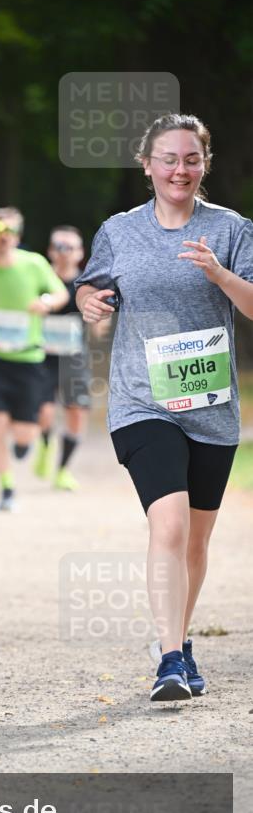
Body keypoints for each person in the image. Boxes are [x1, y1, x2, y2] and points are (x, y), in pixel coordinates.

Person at [75, 113, 253, 703]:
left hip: (211, 406)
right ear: (146, 164)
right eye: (169, 159)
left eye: (192, 159)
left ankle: (176, 637)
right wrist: (89, 302)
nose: (181, 169)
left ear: (205, 165)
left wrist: (219, 273)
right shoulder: (119, 230)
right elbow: (90, 285)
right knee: (169, 523)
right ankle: (171, 660)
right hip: (141, 399)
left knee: (195, 542)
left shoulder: (230, 229)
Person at [0, 207, 68, 511]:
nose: (6, 239)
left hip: (28, 359)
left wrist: (45, 302)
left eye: (12, 232)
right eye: (0, 232)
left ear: (18, 236)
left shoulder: (34, 264)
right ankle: (6, 487)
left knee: (24, 433)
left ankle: (31, 442)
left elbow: (59, 293)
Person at [35, 225, 99, 490]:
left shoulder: (86, 284)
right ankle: (45, 444)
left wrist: (99, 321)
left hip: (74, 358)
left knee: (75, 413)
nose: (64, 253)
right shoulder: (39, 280)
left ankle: (62, 470)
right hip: (41, 356)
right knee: (44, 412)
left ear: (80, 252)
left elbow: (99, 326)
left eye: (70, 247)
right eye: (59, 246)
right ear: (50, 251)